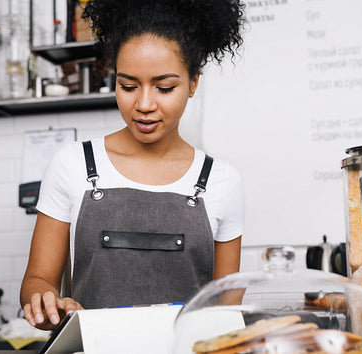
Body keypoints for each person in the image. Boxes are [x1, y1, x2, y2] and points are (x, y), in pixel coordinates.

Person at [20, 0, 246, 330]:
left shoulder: (222, 181)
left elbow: (227, 316)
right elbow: (37, 280)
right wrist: (46, 303)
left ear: (194, 81)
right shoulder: (73, 164)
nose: (143, 105)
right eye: (127, 86)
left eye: (164, 87)